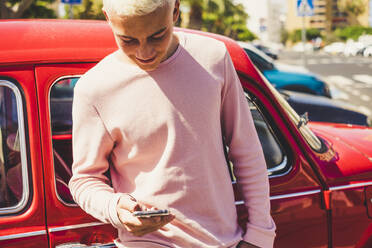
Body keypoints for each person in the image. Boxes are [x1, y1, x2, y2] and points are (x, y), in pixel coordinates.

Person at [68, 0, 276, 247]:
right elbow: (84, 180)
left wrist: (260, 235)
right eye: (129, 40)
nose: (144, 53)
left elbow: (246, 149)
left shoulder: (214, 57)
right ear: (108, 18)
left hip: (221, 241)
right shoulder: (93, 88)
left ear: (175, 10)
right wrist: (115, 208)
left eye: (157, 36)